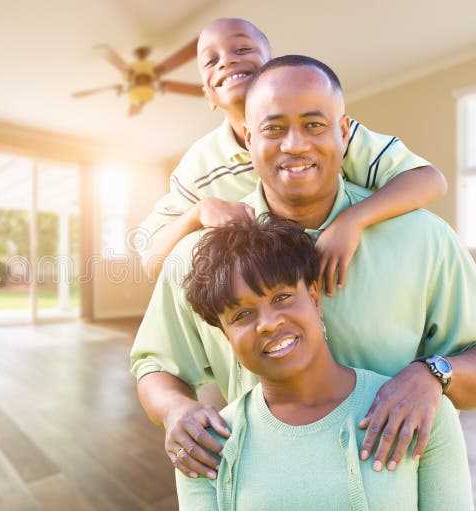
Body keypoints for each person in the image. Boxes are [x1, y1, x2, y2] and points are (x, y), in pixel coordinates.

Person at [130, 55, 476, 482]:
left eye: (314, 125)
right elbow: (155, 365)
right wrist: (175, 410)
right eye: (274, 129)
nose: (294, 144)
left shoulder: (426, 239)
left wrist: (433, 374)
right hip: (264, 488)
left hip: (397, 488)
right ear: (248, 137)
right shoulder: (197, 257)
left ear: (344, 131)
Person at [175, 216, 472, 510]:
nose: (268, 323)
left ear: (315, 298)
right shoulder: (204, 447)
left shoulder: (418, 411)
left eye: (282, 296)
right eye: (241, 315)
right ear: (226, 336)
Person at [137, 18, 447, 298]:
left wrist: (352, 220)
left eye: (243, 49)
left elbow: (429, 179)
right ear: (207, 94)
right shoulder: (199, 166)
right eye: (212, 60)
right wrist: (198, 212)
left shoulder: (331, 136)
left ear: (273, 68)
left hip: (349, 287)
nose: (228, 61)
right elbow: (151, 260)